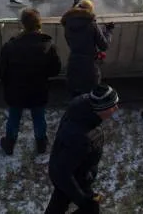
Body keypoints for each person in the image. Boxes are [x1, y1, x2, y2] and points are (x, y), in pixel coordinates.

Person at [0, 8, 62, 155]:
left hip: (15, 91)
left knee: (14, 117)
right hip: (38, 90)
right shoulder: (48, 46)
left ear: (23, 24)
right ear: (39, 24)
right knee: (39, 117)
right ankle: (41, 144)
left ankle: (9, 143)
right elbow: (55, 70)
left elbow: (0, 71)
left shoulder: (10, 46)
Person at [45, 84, 119, 214]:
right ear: (101, 109)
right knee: (90, 209)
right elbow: (63, 173)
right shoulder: (81, 137)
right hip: (72, 177)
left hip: (76, 172)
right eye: (113, 106)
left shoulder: (82, 106)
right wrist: (82, 201)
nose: (116, 108)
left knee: (61, 203)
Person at [62, 0, 114, 97]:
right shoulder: (91, 24)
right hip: (89, 66)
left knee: (75, 97)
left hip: (73, 64)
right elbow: (104, 45)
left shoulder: (68, 22)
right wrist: (108, 31)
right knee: (91, 97)